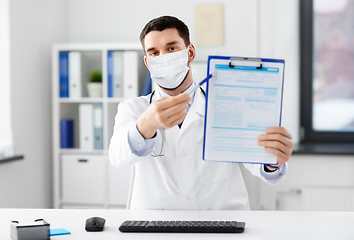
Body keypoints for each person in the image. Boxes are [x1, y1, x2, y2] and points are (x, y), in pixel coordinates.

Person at [109, 16, 293, 210]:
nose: (163, 57)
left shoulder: (227, 104)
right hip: (157, 227)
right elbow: (117, 157)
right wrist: (144, 127)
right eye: (154, 53)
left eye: (171, 48)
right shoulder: (133, 109)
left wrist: (272, 160)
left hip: (221, 224)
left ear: (190, 53)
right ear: (147, 62)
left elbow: (261, 165)